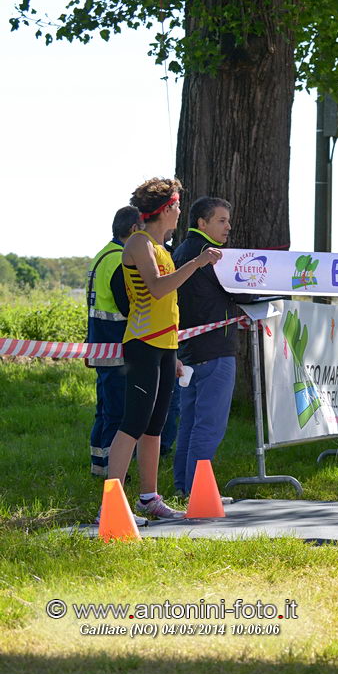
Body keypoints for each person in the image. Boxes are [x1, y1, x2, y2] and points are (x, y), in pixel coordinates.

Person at [103, 177, 222, 522]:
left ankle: (148, 498)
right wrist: (196, 263)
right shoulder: (139, 242)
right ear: (167, 208)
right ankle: (109, 505)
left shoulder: (161, 247)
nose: (180, 211)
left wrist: (175, 353)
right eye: (178, 205)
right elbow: (157, 288)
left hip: (165, 344)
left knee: (154, 426)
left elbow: (167, 305)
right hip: (142, 343)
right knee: (133, 423)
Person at [172, 196, 250, 497]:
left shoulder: (181, 251)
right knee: (209, 426)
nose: (228, 227)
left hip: (187, 353)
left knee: (190, 424)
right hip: (214, 352)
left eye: (228, 220)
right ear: (202, 223)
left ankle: (184, 487)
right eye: (221, 220)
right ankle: (198, 493)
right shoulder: (213, 256)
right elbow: (243, 293)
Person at [85, 206, 141, 477]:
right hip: (116, 344)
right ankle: (113, 469)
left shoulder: (102, 255)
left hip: (99, 341)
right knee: (117, 411)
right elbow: (125, 305)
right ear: (134, 230)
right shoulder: (120, 259)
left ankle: (99, 464)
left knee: (104, 408)